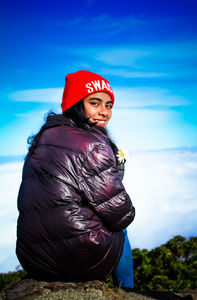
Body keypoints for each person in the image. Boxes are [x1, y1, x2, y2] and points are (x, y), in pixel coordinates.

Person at [16, 70, 135, 288]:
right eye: (95, 103)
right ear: (76, 104)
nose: (104, 112)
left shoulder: (41, 139)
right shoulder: (92, 144)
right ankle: (127, 291)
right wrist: (116, 176)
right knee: (121, 231)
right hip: (78, 257)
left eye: (108, 105)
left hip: (32, 258)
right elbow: (122, 215)